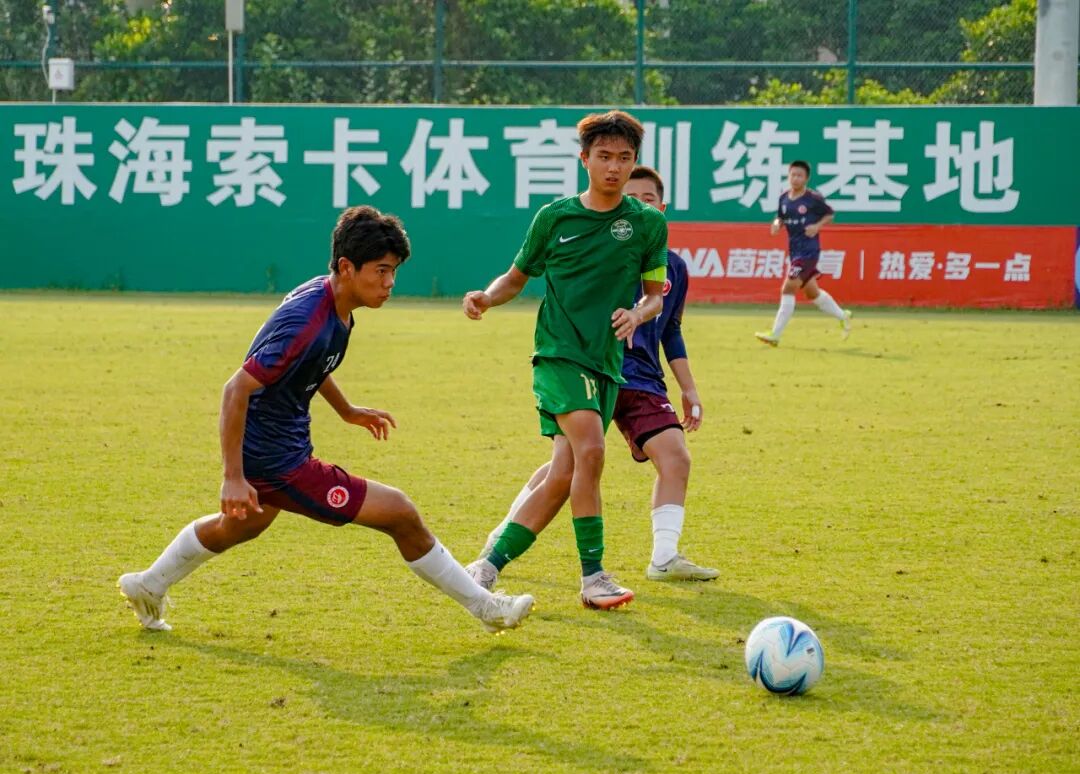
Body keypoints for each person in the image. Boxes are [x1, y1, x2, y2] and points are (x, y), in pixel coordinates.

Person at [118, 205, 534, 634]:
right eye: (381, 271)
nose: (389, 283)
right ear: (347, 267)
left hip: (277, 448)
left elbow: (310, 363)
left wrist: (346, 410)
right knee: (400, 512)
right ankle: (486, 607)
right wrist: (233, 477)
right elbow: (235, 389)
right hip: (277, 461)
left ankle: (148, 584)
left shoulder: (334, 301)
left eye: (394, 271)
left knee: (238, 527)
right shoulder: (306, 321)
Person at [461, 111, 668, 610]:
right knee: (591, 451)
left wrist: (637, 314)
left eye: (624, 158)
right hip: (557, 353)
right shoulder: (554, 217)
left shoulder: (647, 224)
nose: (614, 167)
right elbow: (515, 277)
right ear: (584, 160)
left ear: (634, 162)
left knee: (564, 472)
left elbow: (655, 296)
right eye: (604, 156)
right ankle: (593, 576)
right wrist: (487, 297)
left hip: (606, 363)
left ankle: (485, 566)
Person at [475, 166, 718, 584]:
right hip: (576, 362)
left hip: (636, 377)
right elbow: (520, 277)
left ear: (660, 210)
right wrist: (488, 297)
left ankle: (663, 556)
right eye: (631, 197)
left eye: (647, 200)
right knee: (575, 459)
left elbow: (668, 324)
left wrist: (688, 387)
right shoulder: (575, 228)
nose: (636, 206)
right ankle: (565, 566)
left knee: (662, 457)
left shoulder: (667, 262)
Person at [755, 160, 852, 346]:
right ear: (788, 176)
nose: (795, 178)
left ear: (806, 178)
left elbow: (830, 214)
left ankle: (775, 334)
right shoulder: (784, 198)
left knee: (788, 288)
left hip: (809, 252)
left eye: (800, 175)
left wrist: (817, 226)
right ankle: (843, 316)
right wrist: (776, 224)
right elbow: (780, 217)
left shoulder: (813, 198)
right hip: (795, 252)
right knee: (812, 293)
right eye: (793, 175)